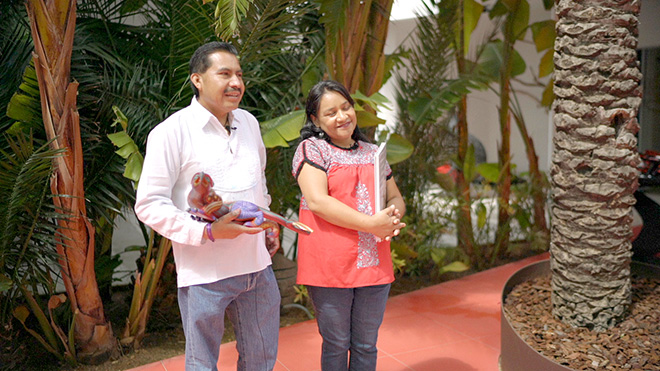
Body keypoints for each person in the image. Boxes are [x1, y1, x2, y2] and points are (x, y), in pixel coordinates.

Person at [134, 41, 280, 371]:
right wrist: (209, 231)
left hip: (257, 266)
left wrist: (267, 221)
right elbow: (148, 204)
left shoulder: (249, 123)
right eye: (225, 73)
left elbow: (260, 180)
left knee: (261, 359)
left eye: (240, 75)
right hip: (204, 273)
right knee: (202, 364)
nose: (237, 83)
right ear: (197, 79)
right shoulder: (171, 132)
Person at [291, 80, 406, 370]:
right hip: (330, 264)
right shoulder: (312, 150)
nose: (342, 117)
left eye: (346, 107)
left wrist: (392, 218)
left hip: (373, 263)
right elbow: (317, 201)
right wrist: (372, 224)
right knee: (336, 343)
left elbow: (394, 196)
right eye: (331, 113)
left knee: (367, 345)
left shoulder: (372, 152)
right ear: (316, 119)